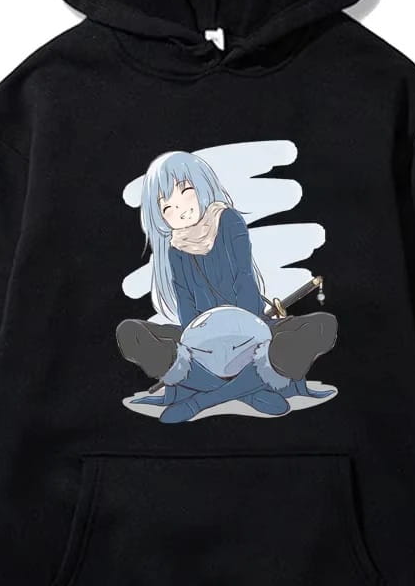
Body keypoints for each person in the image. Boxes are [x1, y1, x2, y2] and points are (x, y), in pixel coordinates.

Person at [116, 150, 336, 420]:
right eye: (167, 207)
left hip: (252, 332)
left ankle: (206, 397)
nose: (180, 209)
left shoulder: (228, 220)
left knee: (323, 325)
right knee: (129, 332)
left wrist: (247, 334)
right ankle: (251, 387)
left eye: (185, 192)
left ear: (201, 186)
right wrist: (195, 343)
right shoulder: (175, 248)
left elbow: (244, 279)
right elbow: (185, 302)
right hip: (200, 343)